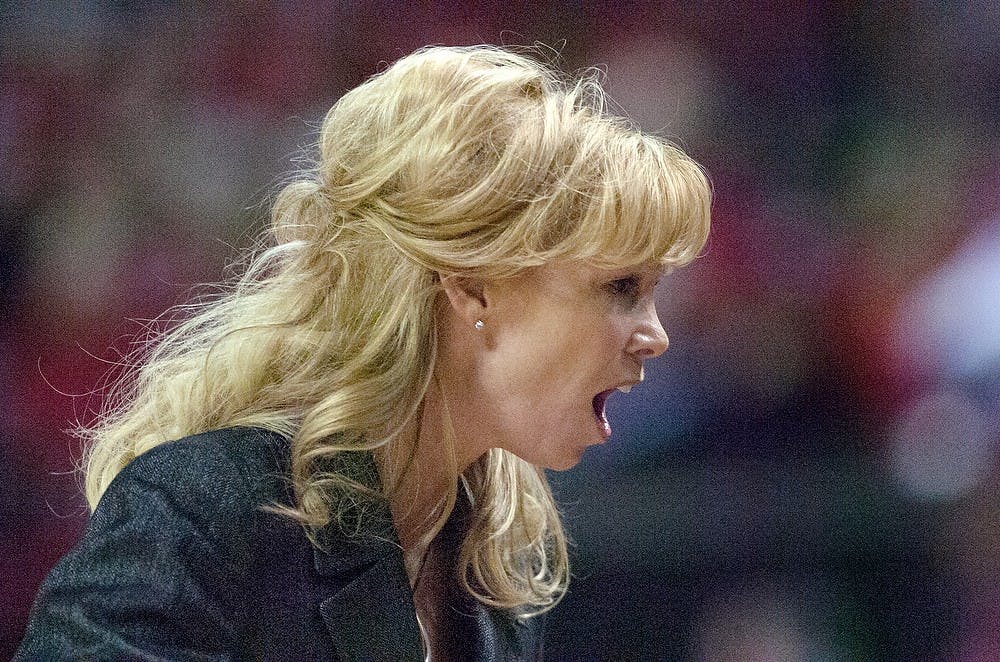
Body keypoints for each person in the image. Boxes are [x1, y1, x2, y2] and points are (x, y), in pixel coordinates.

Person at [16, 45, 711, 660]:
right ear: (473, 288)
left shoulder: (494, 579)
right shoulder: (208, 506)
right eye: (620, 287)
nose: (655, 334)